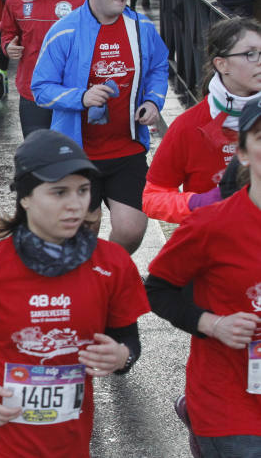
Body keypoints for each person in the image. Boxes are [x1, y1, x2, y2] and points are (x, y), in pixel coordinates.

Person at [0, 129, 149, 458]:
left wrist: (122, 357)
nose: (75, 205)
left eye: (83, 191)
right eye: (59, 192)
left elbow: (128, 342)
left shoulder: (112, 265)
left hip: (68, 446)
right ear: (25, 197)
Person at [31, 0, 168, 254]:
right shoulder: (65, 30)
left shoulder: (140, 27)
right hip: (79, 152)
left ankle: (105, 271)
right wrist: (81, 97)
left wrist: (153, 101)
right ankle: (89, 281)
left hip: (126, 147)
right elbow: (40, 88)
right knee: (85, 231)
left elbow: (160, 66)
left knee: (132, 229)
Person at [146, 95, 261, 458]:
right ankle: (195, 412)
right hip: (231, 408)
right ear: (242, 153)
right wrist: (212, 324)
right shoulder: (212, 225)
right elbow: (158, 290)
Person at [143, 17, 261, 223]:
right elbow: (152, 198)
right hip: (214, 242)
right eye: (251, 54)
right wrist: (200, 204)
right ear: (222, 64)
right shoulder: (189, 125)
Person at [0, 0, 89, 137]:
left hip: (71, 92)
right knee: (38, 157)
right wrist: (8, 46)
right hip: (32, 91)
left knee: (71, 158)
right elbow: (8, 31)